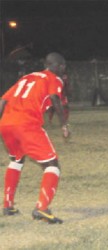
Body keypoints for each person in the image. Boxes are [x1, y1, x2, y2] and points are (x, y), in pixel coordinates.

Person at [0, 52, 70, 224]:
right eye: (63, 67)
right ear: (58, 66)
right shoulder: (53, 78)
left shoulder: (27, 77)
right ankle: (42, 208)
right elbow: (55, 98)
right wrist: (64, 124)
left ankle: (8, 205)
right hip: (27, 124)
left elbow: (2, 100)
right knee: (52, 164)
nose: (63, 70)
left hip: (6, 124)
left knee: (16, 160)